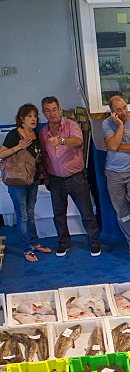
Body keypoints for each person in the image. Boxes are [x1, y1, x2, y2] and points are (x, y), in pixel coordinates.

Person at [39, 97, 101, 258]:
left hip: (76, 178)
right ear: (43, 113)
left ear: (59, 110)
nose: (52, 113)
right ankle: (63, 243)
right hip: (55, 179)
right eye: (48, 110)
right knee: (59, 215)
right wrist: (46, 176)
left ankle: (94, 243)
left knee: (87, 213)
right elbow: (44, 155)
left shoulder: (71, 125)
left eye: (54, 109)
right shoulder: (42, 133)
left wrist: (61, 141)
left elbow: (78, 141)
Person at [0, 103, 50, 263]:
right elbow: (1, 153)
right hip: (17, 180)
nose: (33, 119)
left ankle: (34, 243)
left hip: (33, 179)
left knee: (30, 213)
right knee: (22, 215)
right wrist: (18, 147)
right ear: (22, 119)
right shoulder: (15, 134)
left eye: (35, 116)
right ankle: (27, 249)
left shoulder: (36, 134)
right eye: (29, 116)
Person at [102, 94, 130, 255]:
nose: (124, 112)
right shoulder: (107, 124)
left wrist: (117, 147)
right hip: (113, 173)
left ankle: (126, 203)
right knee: (122, 213)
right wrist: (119, 126)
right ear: (112, 112)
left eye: (125, 107)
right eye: (119, 110)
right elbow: (111, 145)